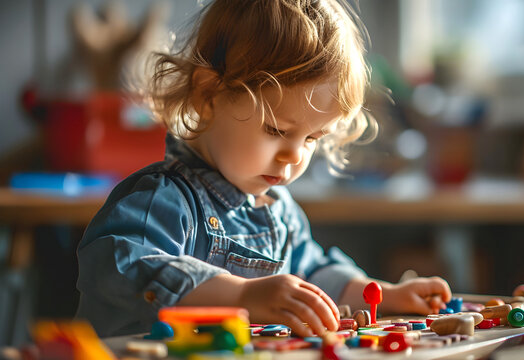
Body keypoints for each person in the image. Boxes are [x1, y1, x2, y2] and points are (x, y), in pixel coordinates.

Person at [76, 0, 451, 338]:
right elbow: (122, 266)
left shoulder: (280, 211)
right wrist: (241, 294)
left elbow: (316, 274)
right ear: (208, 96)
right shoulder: (162, 200)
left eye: (311, 138)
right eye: (277, 131)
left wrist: (383, 294)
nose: (294, 156)